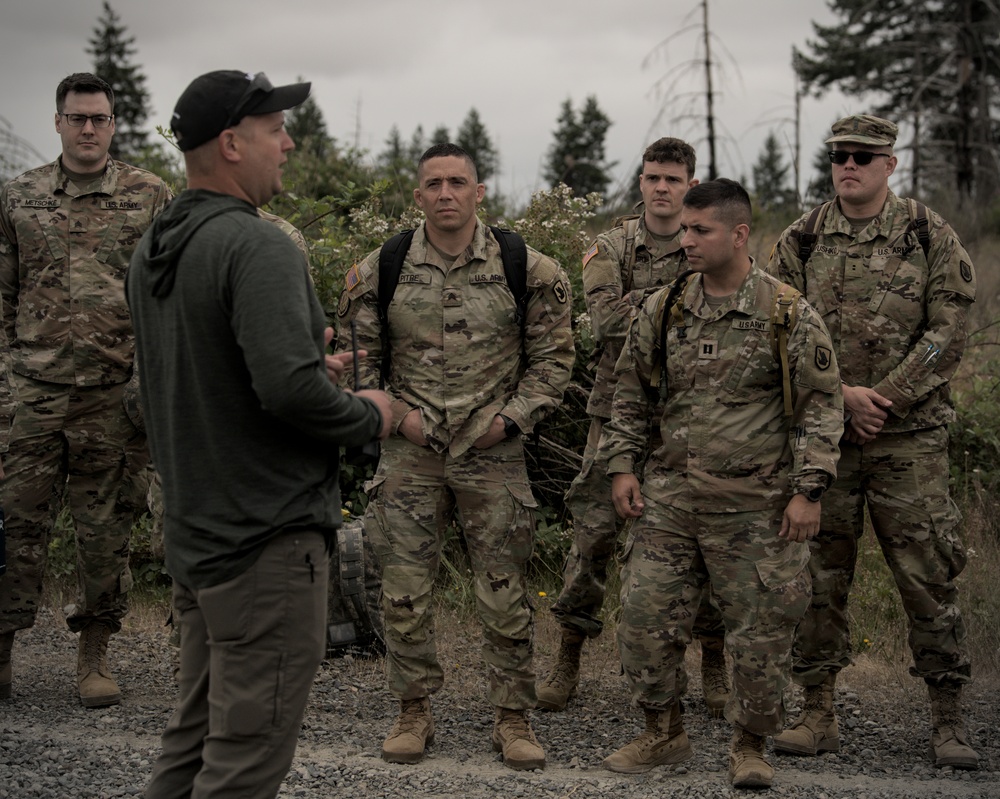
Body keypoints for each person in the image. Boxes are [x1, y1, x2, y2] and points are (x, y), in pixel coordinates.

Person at [126, 69, 392, 799]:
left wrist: (311, 369)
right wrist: (371, 413)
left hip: (198, 539)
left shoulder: (158, 244)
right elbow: (286, 391)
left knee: (193, 740)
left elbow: (212, 375)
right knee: (243, 761)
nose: (290, 140)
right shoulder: (258, 246)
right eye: (275, 129)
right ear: (231, 144)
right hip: (263, 542)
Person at [337, 142, 575, 770]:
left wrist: (509, 420)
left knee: (504, 591)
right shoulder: (381, 268)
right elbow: (358, 367)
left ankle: (513, 718)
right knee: (403, 589)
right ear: (417, 195)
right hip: (408, 452)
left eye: (458, 183)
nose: (446, 194)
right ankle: (413, 711)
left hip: (491, 449)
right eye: (434, 184)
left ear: (479, 192)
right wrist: (397, 415)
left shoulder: (529, 269)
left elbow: (554, 363)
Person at [600, 179, 843, 788]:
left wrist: (808, 489)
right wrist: (623, 466)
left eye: (699, 230)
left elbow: (821, 405)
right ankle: (663, 733)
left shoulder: (787, 313)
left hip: (757, 511)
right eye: (684, 228)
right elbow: (631, 392)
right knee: (642, 619)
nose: (686, 241)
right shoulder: (664, 309)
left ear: (738, 234)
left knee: (760, 638)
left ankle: (749, 745)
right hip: (670, 502)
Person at [767, 114, 980, 771]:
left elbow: (950, 327)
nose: (848, 166)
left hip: (907, 439)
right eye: (838, 156)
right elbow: (778, 334)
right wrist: (843, 398)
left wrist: (884, 395)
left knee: (926, 575)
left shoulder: (926, 232)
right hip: (825, 439)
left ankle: (947, 720)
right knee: (816, 577)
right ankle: (818, 713)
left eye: (863, 156)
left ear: (890, 164)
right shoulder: (800, 239)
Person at [537, 137, 730, 717]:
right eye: (652, 178)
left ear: (692, 182)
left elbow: (729, 315)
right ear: (640, 183)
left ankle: (714, 663)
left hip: (689, 419)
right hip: (616, 412)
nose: (662, 188)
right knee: (593, 533)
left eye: (673, 178)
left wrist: (644, 300)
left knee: (702, 538)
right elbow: (607, 325)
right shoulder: (612, 245)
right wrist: (686, 299)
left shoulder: (711, 242)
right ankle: (568, 653)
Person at [0, 72, 171, 707]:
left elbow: (168, 297)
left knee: (105, 536)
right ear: (58, 122)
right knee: (16, 529)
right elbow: (3, 298)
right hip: (32, 395)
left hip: (114, 397)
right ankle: (2, 651)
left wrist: (150, 387)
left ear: (114, 124)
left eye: (100, 118)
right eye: (78, 118)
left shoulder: (149, 195)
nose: (89, 129)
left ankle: (93, 656)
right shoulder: (18, 197)